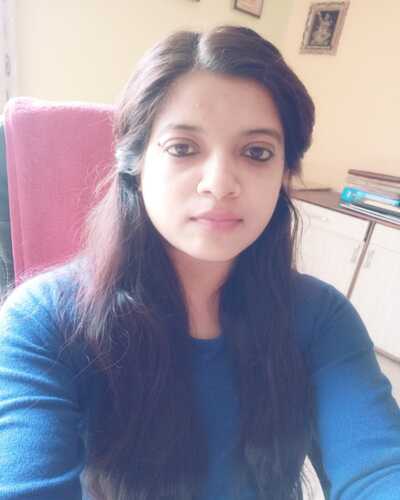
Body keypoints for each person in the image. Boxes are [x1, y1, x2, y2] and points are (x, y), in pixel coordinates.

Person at [0, 25, 399, 500]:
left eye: (256, 152)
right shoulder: (43, 321)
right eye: (183, 148)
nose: (220, 183)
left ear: (284, 174)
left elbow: (379, 468)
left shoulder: (321, 318)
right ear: (135, 162)